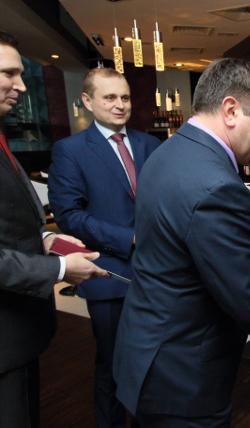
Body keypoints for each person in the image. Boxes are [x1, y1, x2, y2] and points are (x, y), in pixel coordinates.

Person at [113, 58, 250, 427]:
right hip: (183, 379)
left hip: (145, 355)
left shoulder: (165, 154)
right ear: (231, 110)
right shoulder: (218, 187)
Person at [0, 31, 108, 428]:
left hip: (18, 335)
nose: (21, 86)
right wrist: (60, 269)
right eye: (9, 74)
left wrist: (46, 238)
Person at [48, 67, 161, 428]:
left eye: (124, 97)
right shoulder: (70, 150)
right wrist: (127, 238)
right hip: (108, 274)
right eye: (110, 97)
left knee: (153, 366)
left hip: (157, 276)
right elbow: (69, 215)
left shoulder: (150, 144)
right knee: (112, 366)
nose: (119, 105)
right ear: (87, 101)